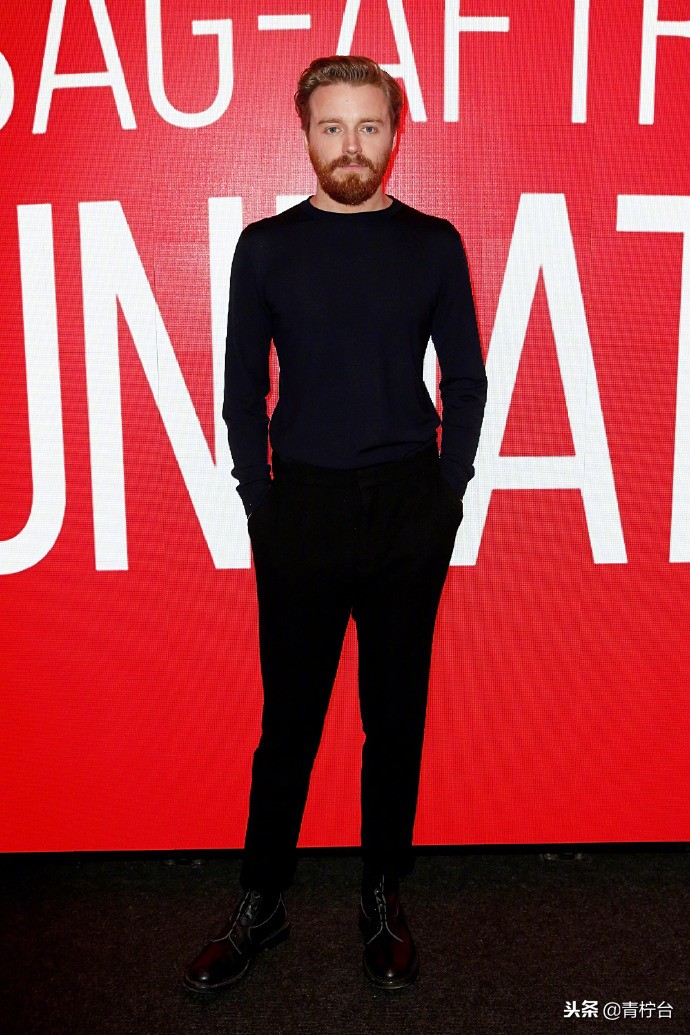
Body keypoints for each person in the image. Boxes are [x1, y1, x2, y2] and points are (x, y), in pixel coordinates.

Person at [184, 54, 487, 994]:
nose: (351, 145)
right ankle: (261, 901)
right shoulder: (265, 249)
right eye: (332, 127)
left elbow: (466, 382)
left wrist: (446, 497)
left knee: (395, 719)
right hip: (302, 512)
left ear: (394, 133)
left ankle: (382, 896)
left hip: (407, 510)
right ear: (306, 134)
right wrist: (261, 505)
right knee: (289, 724)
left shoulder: (434, 244)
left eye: (368, 126)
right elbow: (241, 393)